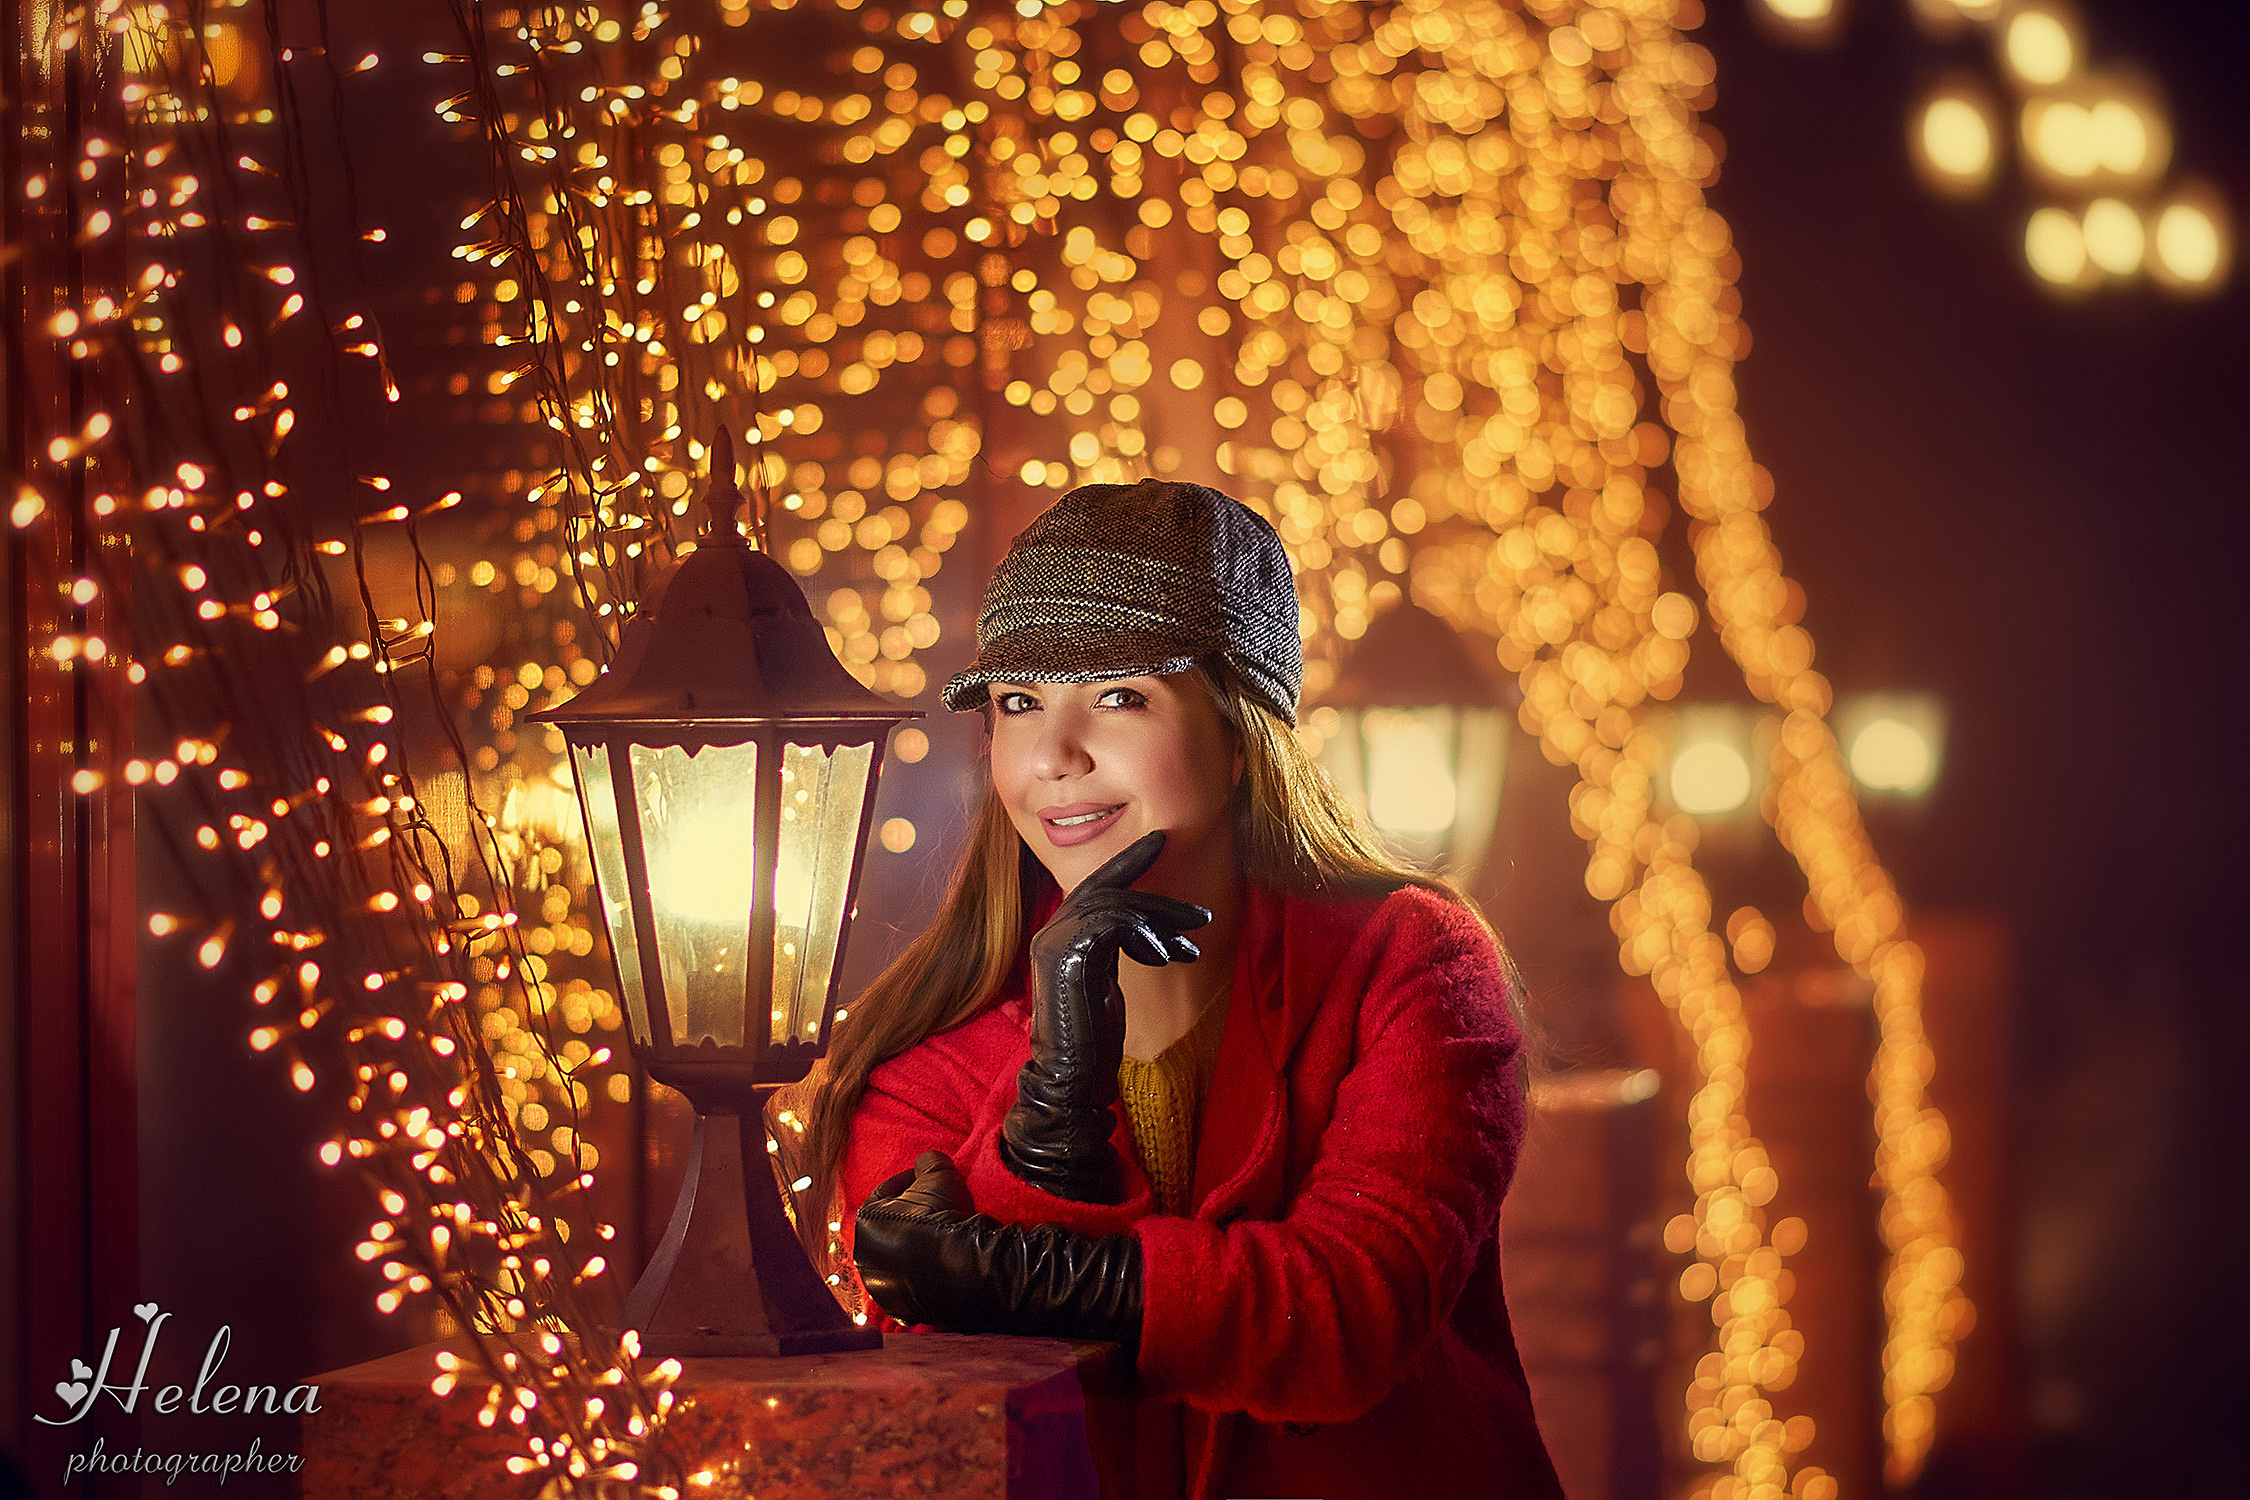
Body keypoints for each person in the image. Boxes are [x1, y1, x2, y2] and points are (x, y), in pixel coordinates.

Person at [782, 478, 1564, 1500]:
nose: (1055, 756)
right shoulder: (918, 1058)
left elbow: (1349, 1316)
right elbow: (975, 1387)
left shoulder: (1410, 965)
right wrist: (1052, 1109)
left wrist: (1035, 1274)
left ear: (1241, 735)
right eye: (1020, 703)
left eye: (1119, 695)